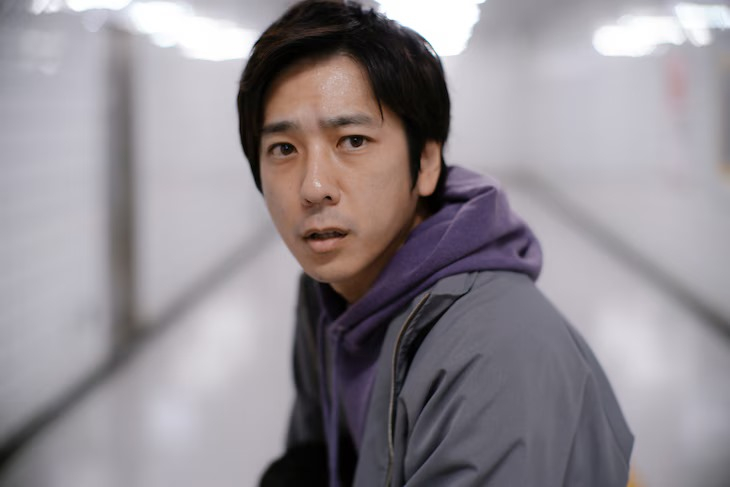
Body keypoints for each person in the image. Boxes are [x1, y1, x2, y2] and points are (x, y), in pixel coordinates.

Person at [236, 1, 634, 486]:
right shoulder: (327, 294)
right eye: (283, 149)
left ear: (425, 163)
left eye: (353, 141)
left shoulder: (497, 353)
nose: (313, 187)